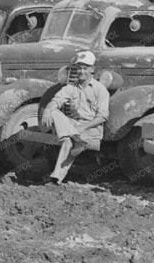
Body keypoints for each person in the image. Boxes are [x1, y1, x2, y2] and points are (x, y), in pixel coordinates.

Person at [43, 49, 110, 184]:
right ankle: (75, 140)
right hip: (72, 126)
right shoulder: (71, 87)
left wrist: (83, 127)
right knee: (54, 112)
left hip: (90, 129)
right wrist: (47, 110)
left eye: (85, 68)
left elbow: (102, 116)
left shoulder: (100, 89)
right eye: (79, 68)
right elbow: (57, 100)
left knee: (68, 140)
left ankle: (56, 177)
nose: (81, 71)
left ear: (92, 70)